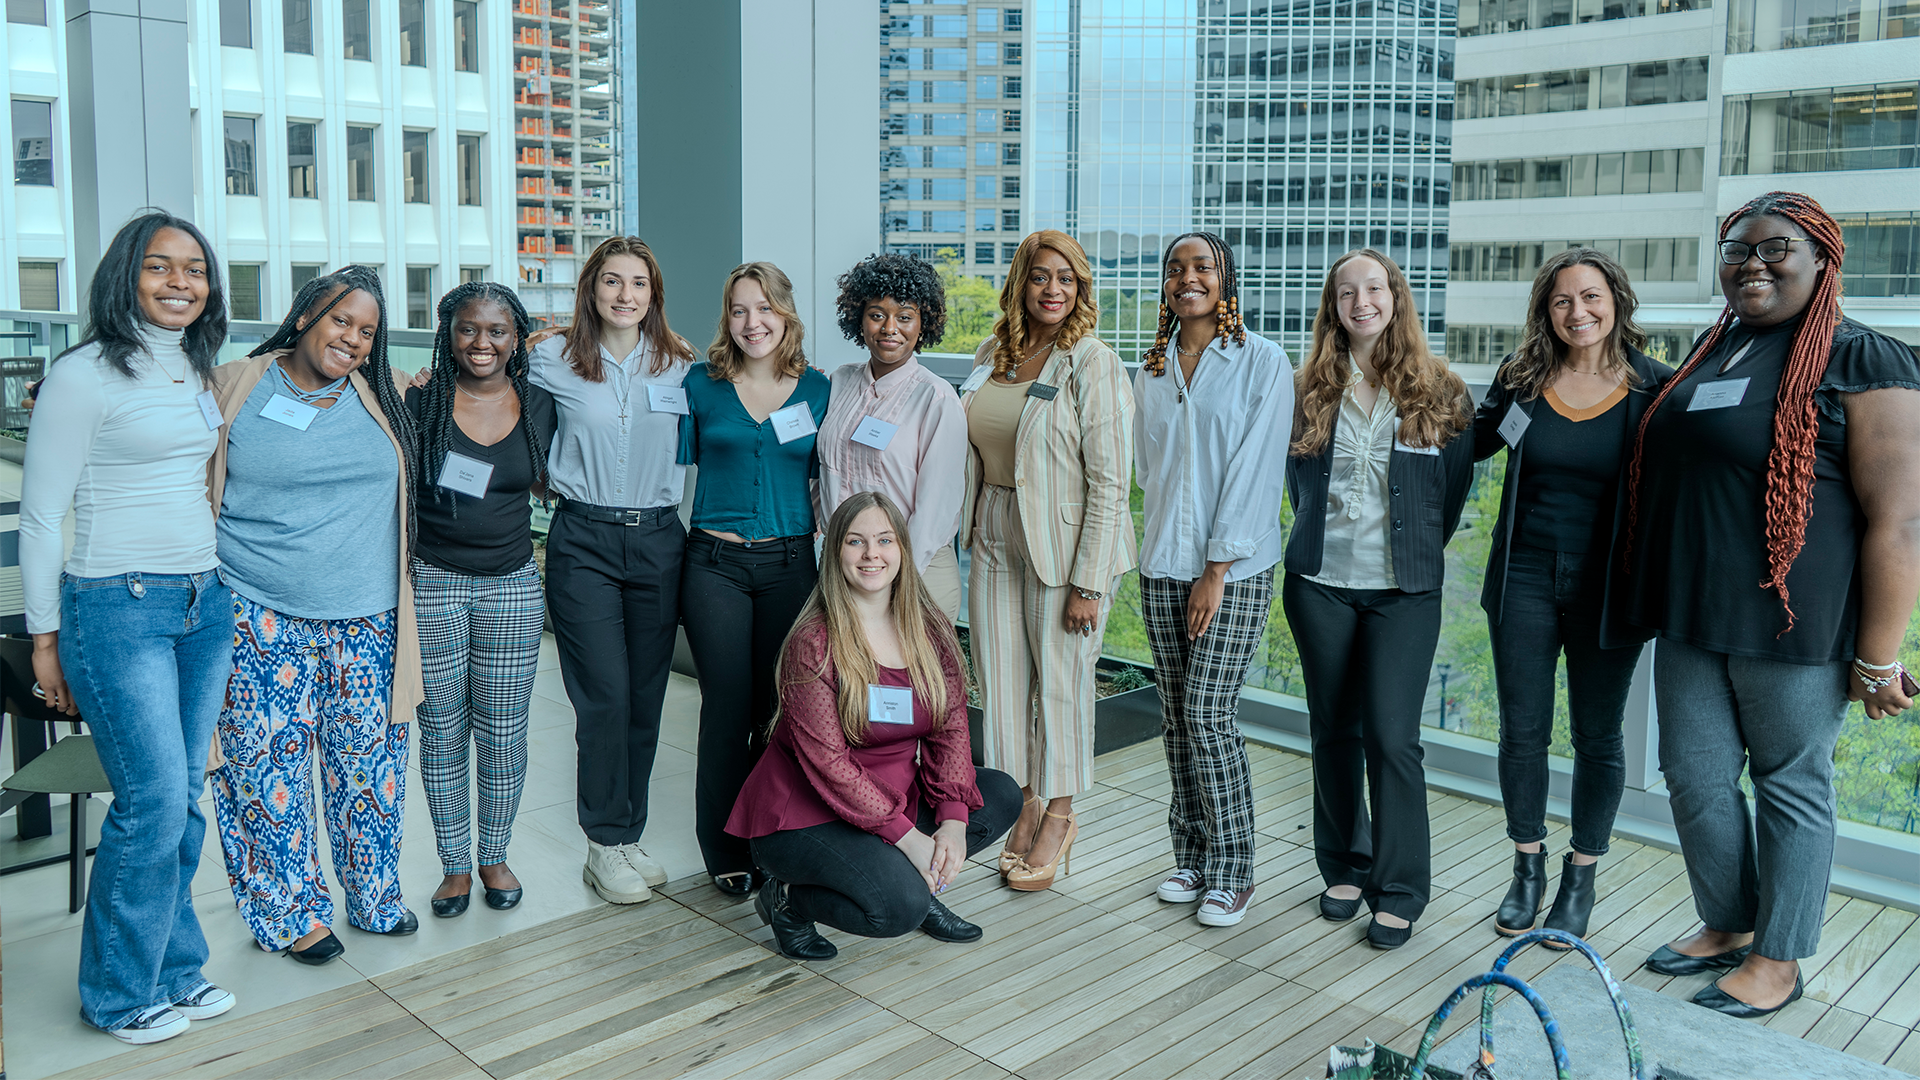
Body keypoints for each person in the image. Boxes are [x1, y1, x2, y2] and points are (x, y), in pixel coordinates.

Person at [1624, 191, 1920, 1016]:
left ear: (1823, 258)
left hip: (1796, 622)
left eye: (1775, 248)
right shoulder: (1714, 350)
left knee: (1791, 782)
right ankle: (1727, 921)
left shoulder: (1865, 358)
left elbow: (1903, 521)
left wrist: (1879, 655)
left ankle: (1779, 959)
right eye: (1736, 250)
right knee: (1694, 776)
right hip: (1694, 612)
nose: (1752, 263)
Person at [21, 212, 237, 1043]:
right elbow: (42, 519)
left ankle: (174, 969)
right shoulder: (83, 374)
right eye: (160, 267)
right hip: (116, 603)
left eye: (195, 269)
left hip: (201, 601)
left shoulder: (194, 364)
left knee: (183, 801)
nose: (180, 282)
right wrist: (47, 639)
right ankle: (116, 994)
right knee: (150, 802)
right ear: (126, 276)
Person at [208, 265, 422, 964]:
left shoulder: (382, 395)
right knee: (266, 772)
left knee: (370, 766)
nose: (354, 340)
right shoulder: (235, 384)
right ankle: (291, 913)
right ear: (305, 316)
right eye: (341, 321)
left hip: (369, 618)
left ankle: (374, 895)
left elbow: (485, 366)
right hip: (257, 610)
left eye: (367, 331)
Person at [1470, 248, 1669, 945]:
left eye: (1590, 297)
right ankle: (1527, 867)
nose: (1577, 312)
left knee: (1597, 736)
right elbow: (1467, 446)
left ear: (1616, 299)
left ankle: (1580, 877)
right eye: (1561, 301)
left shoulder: (1655, 389)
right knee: (1522, 732)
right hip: (1523, 575)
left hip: (1608, 589)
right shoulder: (1523, 380)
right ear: (1544, 311)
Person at [727, 492, 1022, 959]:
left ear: (901, 550)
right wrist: (909, 840)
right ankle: (787, 901)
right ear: (834, 553)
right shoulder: (814, 642)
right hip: (807, 815)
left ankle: (919, 881)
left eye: (884, 540)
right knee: (896, 909)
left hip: (891, 799)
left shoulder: (928, 631)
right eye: (855, 542)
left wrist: (950, 826)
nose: (872, 554)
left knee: (1001, 794)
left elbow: (950, 731)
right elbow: (830, 765)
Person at [1283, 248, 1474, 950]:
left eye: (1374, 288)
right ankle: (1344, 864)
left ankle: (1399, 888)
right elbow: (1296, 488)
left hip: (1403, 595)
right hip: (1319, 587)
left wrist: (1409, 553)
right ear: (1332, 308)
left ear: (1395, 297)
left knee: (1393, 740)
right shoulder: (1307, 388)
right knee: (1333, 732)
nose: (1360, 302)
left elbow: (1448, 500)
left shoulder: (1442, 391)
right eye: (1345, 293)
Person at [960, 230, 1135, 892]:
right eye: (1040, 277)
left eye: (1066, 278)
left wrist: (1090, 580)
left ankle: (1060, 811)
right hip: (996, 529)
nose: (1053, 289)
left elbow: (1113, 482)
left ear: (1080, 289)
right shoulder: (990, 353)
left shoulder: (1091, 362)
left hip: (1066, 547)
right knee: (1000, 683)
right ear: (1020, 284)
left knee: (1060, 684)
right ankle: (1022, 799)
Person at [1136, 232, 1293, 929]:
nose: (1187, 277)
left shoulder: (1262, 362)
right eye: (1176, 268)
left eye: (1202, 266)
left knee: (1208, 713)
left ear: (1227, 280)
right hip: (1162, 563)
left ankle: (1234, 869)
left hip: (1231, 569)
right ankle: (1192, 854)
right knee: (1175, 718)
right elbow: (1149, 474)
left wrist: (1216, 568)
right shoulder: (1151, 368)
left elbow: (1258, 474)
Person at [533, 237, 695, 905]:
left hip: (660, 540)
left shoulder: (683, 366)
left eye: (638, 283)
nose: (625, 295)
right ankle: (602, 842)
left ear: (654, 294)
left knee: (645, 701)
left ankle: (629, 835)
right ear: (591, 290)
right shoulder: (550, 357)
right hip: (585, 541)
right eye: (611, 282)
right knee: (603, 696)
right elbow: (478, 378)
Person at [680, 262, 832, 897]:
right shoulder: (699, 384)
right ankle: (722, 846)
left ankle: (770, 837)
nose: (752, 322)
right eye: (740, 310)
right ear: (727, 319)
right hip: (714, 563)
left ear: (786, 315)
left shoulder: (820, 389)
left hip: (791, 566)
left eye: (764, 309)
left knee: (778, 710)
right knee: (726, 707)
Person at [405, 282, 557, 917]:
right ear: (448, 334)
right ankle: (453, 865)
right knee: (441, 731)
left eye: (497, 330)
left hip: (514, 583)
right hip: (434, 581)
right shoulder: (419, 399)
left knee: (504, 729)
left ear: (517, 338)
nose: (482, 343)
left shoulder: (542, 403)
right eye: (468, 329)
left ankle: (493, 853)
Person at [817, 253, 967, 619]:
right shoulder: (839, 382)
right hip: (844, 569)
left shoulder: (937, 397)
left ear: (923, 323)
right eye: (877, 315)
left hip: (916, 573)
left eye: (904, 316)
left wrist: (897, 580)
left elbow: (937, 507)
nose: (889, 328)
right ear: (859, 318)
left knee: (910, 677)